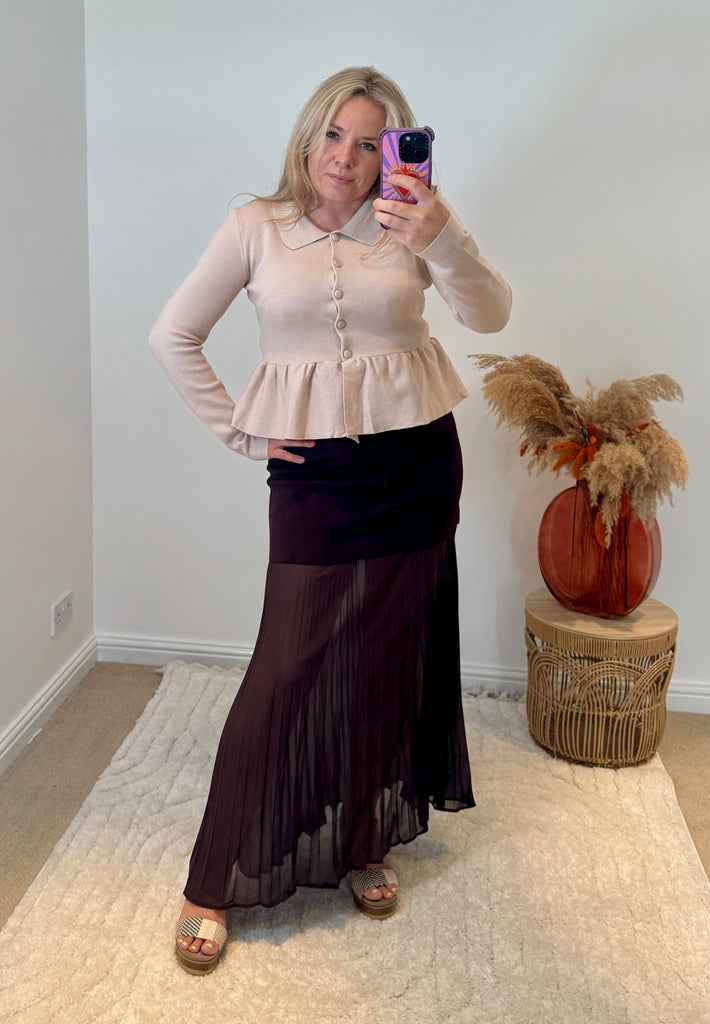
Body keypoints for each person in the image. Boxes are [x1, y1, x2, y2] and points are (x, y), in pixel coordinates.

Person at [149, 65, 512, 975]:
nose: (344, 157)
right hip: (317, 475)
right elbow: (172, 335)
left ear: (393, 152)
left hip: (418, 461)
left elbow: (490, 315)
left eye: (366, 141)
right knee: (286, 669)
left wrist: (441, 234)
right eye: (331, 135)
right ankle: (211, 881)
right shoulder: (255, 226)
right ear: (307, 138)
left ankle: (364, 837)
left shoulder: (412, 224)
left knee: (385, 657)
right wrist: (241, 432)